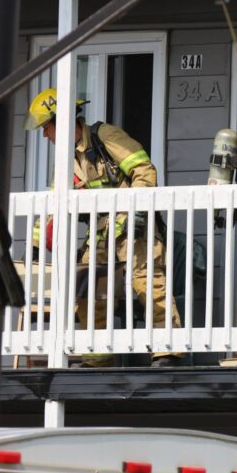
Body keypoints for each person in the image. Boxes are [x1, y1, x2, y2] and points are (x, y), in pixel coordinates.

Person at [25, 88, 183, 368]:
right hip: (101, 234)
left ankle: (167, 352)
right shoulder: (66, 159)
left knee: (148, 284)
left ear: (60, 122)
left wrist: (135, 210)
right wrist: (37, 244)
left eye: (46, 127)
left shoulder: (105, 136)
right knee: (87, 286)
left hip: (134, 228)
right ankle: (97, 357)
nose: (44, 135)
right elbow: (54, 202)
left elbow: (144, 171)